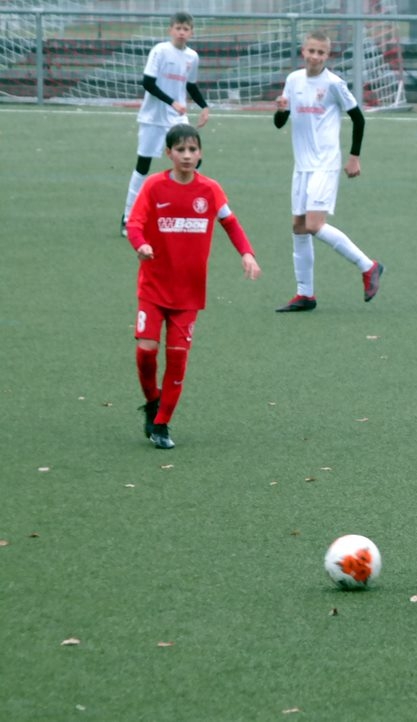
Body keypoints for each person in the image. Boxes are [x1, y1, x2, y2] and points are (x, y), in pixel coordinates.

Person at [127, 124, 261, 450]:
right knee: (146, 352)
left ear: (200, 153)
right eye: (180, 150)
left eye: (192, 150)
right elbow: (134, 223)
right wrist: (141, 244)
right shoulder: (154, 186)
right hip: (154, 287)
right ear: (168, 153)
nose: (187, 156)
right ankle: (152, 401)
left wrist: (247, 253)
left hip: (188, 293)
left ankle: (161, 424)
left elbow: (230, 223)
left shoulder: (211, 190)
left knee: (177, 358)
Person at [272, 30, 383, 312]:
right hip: (302, 166)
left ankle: (368, 266)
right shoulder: (293, 80)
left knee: (313, 225)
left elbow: (358, 118)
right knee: (298, 228)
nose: (315, 57)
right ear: (303, 51)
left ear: (327, 56)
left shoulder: (334, 84)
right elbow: (279, 123)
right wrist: (280, 110)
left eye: (321, 53)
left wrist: (354, 158)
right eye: (311, 51)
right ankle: (305, 294)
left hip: (325, 163)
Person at [121, 11, 211, 238]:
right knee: (143, 165)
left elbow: (190, 86)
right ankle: (128, 216)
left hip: (176, 119)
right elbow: (148, 83)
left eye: (186, 29)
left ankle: (187, 209)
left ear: (191, 32)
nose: (181, 32)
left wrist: (204, 106)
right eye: (178, 28)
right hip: (152, 118)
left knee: (193, 160)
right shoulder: (160, 51)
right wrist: (172, 102)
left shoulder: (192, 56)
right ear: (170, 30)